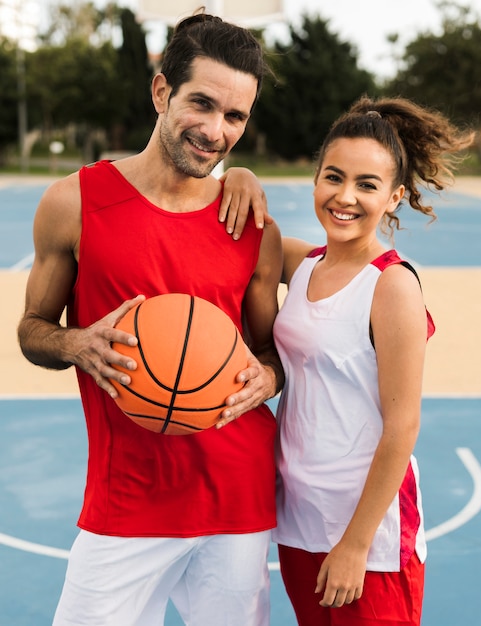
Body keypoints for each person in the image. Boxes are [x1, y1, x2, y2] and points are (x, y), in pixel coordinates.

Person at [17, 11, 283, 626]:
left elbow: (270, 356)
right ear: (162, 90)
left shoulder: (251, 225)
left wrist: (269, 378)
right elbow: (33, 328)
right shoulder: (74, 202)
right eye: (202, 104)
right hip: (127, 498)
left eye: (236, 116)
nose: (216, 131)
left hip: (235, 499)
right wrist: (76, 343)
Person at [270, 97, 474, 625]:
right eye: (333, 177)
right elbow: (248, 237)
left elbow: (402, 427)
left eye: (367, 184)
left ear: (394, 197)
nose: (345, 197)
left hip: (368, 537)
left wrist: (356, 545)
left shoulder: (392, 285)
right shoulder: (304, 262)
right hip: (300, 519)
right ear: (314, 179)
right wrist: (242, 176)